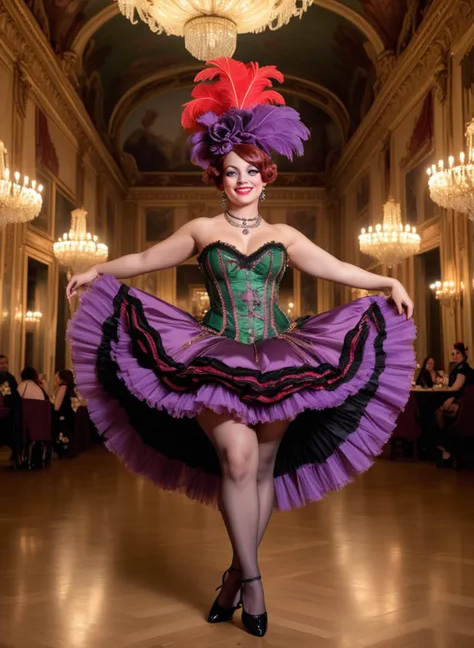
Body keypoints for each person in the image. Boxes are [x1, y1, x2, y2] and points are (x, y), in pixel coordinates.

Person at [66, 58, 416, 638]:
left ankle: (233, 575)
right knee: (238, 456)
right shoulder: (203, 231)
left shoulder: (286, 237)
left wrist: (384, 280)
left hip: (281, 355)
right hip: (212, 355)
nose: (242, 180)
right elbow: (147, 259)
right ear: (219, 177)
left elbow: (334, 266)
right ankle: (254, 582)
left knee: (264, 472)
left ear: (266, 173)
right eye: (231, 171)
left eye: (251, 170)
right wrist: (99, 266)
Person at [436, 342, 474, 467]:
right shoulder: (459, 368)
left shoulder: (463, 369)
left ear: (463, 355)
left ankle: (445, 449)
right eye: (453, 354)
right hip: (466, 405)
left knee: (439, 412)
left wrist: (450, 397)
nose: (455, 356)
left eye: (458, 353)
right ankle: (444, 447)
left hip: (464, 407)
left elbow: (457, 388)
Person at [17, 367, 49, 468]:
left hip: (25, 423)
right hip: (41, 424)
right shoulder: (38, 388)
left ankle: (20, 457)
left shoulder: (21, 386)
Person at [53, 369, 76, 457]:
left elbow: (56, 406)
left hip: (63, 416)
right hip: (70, 415)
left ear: (62, 379)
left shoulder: (62, 388)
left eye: (57, 377)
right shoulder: (70, 389)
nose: (56, 379)